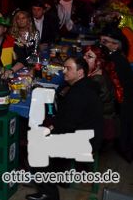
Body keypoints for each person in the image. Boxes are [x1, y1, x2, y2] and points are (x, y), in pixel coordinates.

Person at [26, 56, 104, 200]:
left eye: (68, 69)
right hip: (88, 134)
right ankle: (58, 176)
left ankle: (49, 194)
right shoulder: (85, 85)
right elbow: (69, 118)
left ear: (80, 72)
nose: (64, 71)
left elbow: (68, 125)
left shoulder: (79, 93)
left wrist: (49, 130)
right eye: (64, 68)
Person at [100, 26, 133, 162]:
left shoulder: (116, 60)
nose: (101, 44)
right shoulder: (115, 56)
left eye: (105, 42)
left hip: (125, 100)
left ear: (116, 44)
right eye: (101, 41)